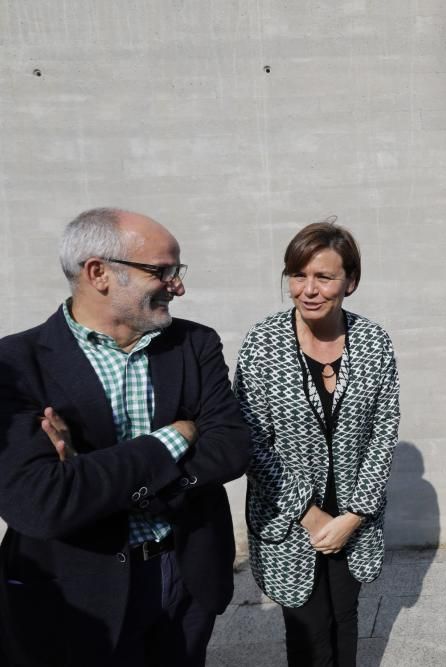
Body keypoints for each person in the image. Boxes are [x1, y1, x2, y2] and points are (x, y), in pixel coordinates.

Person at [0, 208, 250, 666]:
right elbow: (37, 503)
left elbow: (232, 447)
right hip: (76, 594)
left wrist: (90, 476)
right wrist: (176, 437)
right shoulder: (14, 364)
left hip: (185, 576)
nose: (178, 286)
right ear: (98, 273)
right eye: (162, 271)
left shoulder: (194, 344)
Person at [235, 220, 400, 667]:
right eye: (298, 275)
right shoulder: (263, 344)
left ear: (350, 281)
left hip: (354, 518)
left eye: (324, 277)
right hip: (290, 521)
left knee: (345, 618)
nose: (308, 289)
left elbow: (384, 433)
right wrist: (308, 516)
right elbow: (251, 441)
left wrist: (353, 516)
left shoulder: (373, 343)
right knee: (306, 629)